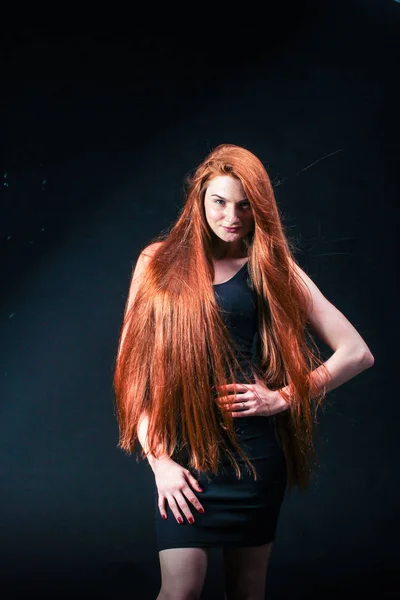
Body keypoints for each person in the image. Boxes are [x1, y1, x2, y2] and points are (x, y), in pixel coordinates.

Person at [113, 143, 374, 600]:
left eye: (244, 204)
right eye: (219, 201)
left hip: (253, 459)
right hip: (183, 458)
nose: (231, 216)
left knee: (248, 590)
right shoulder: (156, 262)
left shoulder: (268, 267)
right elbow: (134, 374)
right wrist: (160, 464)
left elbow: (356, 352)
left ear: (259, 207)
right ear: (199, 199)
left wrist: (285, 396)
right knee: (179, 589)